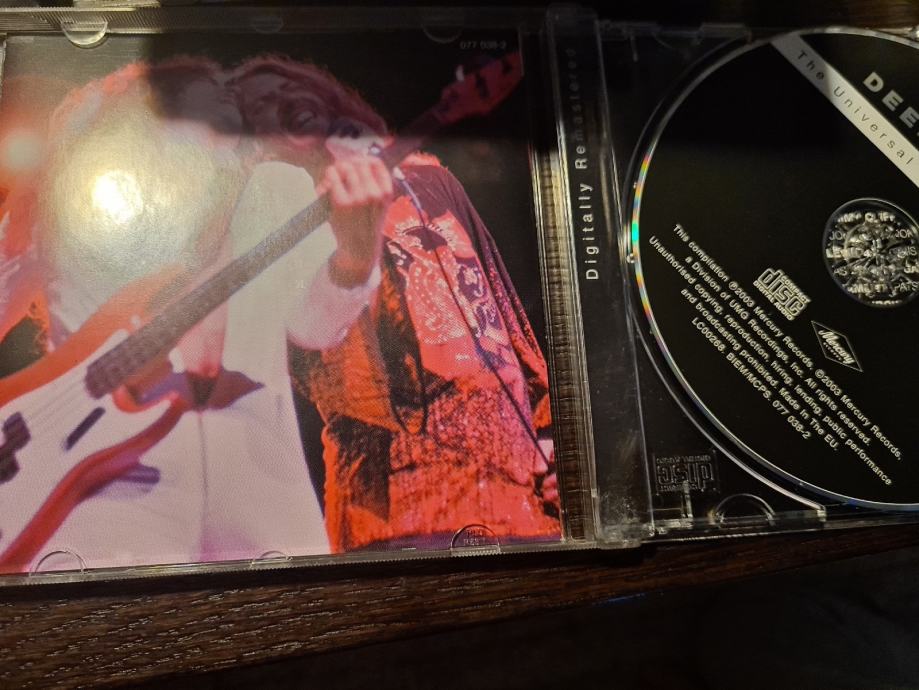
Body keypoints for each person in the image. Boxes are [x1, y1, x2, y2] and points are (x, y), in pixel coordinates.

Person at [0, 56, 392, 572]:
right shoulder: (72, 197)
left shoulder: (276, 192)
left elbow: (314, 329)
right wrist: (19, 225)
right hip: (97, 484)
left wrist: (356, 257)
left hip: (262, 486)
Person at [230, 56, 560, 553]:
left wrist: (550, 438)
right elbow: (310, 339)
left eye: (286, 88)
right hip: (401, 507)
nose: (281, 105)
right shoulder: (279, 202)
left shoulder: (428, 176)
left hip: (521, 492)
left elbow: (500, 315)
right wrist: (354, 256)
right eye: (258, 110)